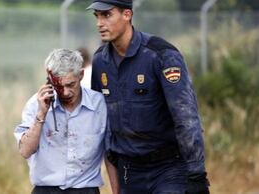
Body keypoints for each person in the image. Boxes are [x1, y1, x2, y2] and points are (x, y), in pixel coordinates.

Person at [86, 0, 210, 194]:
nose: (99, 23)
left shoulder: (161, 54)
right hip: (129, 171)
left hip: (169, 168)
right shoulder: (100, 61)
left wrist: (196, 173)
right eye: (97, 16)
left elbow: (185, 116)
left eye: (107, 15)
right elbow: (103, 125)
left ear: (127, 15)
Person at [14, 48, 108, 194]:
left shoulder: (99, 105)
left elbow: (111, 153)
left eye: (70, 85)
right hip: (46, 189)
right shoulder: (35, 104)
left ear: (81, 75)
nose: (65, 92)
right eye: (59, 86)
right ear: (49, 79)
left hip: (85, 189)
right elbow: (25, 151)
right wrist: (41, 114)